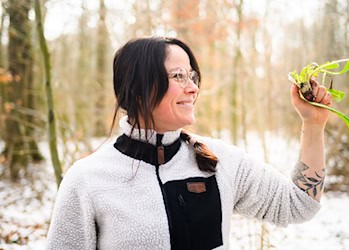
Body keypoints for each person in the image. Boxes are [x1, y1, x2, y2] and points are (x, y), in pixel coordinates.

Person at [46, 36, 332, 250]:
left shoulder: (221, 161)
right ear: (137, 89)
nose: (192, 87)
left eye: (192, 76)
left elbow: (299, 205)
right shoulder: (87, 180)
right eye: (178, 76)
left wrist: (313, 125)